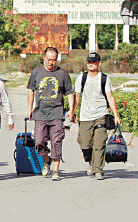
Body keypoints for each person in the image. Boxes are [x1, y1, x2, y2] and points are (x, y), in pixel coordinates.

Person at [27, 47, 74, 181]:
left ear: (57, 60)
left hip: (57, 113)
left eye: (54, 60)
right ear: (44, 58)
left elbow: (69, 93)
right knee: (39, 141)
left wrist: (71, 110)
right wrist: (30, 108)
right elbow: (31, 90)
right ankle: (46, 159)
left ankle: (56, 170)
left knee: (56, 141)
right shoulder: (37, 72)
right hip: (40, 113)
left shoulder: (62, 74)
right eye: (48, 59)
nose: (51, 62)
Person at [73, 52, 121, 180]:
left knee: (99, 144)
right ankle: (90, 161)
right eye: (89, 61)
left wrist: (116, 115)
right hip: (85, 117)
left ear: (99, 63)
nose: (91, 64)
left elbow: (110, 97)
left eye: (94, 62)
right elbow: (76, 97)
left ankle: (98, 170)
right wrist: (72, 112)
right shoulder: (81, 78)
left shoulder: (104, 79)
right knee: (84, 143)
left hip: (101, 114)